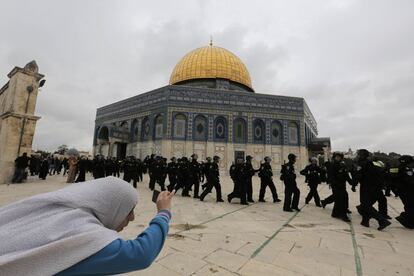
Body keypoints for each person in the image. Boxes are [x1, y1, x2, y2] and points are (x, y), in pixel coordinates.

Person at [0, 177, 174, 275]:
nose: (133, 217)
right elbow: (140, 254)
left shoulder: (56, 213)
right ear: (112, 206)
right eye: (129, 211)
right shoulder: (85, 236)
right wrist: (163, 213)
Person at [354, 149, 391, 230]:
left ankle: (382, 221)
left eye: (359, 155)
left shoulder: (362, 163)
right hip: (375, 187)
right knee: (367, 204)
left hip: (367, 187)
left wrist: (353, 185)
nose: (357, 156)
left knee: (365, 205)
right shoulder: (370, 163)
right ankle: (365, 221)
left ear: (362, 155)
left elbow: (359, 176)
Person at [329, 152, 354, 222]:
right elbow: (331, 176)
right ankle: (343, 215)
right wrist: (334, 183)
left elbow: (346, 175)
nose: (338, 158)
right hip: (336, 186)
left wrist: (351, 182)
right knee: (342, 199)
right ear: (334, 157)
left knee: (341, 198)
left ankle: (335, 213)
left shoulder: (342, 165)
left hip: (342, 185)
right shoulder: (333, 165)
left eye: (339, 157)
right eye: (336, 157)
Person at [395, 155, 414, 229]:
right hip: (407, 190)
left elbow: (409, 180)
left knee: (409, 206)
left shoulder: (406, 168)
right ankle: (408, 220)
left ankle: (408, 221)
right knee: (410, 206)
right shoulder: (406, 167)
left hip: (407, 190)